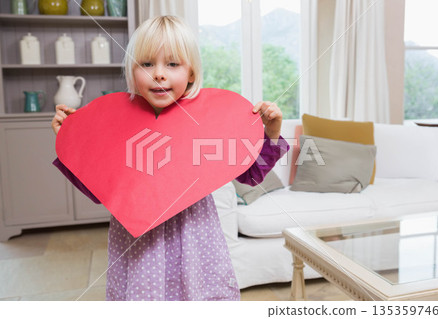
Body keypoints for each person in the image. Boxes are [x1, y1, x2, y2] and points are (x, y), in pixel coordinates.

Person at [51, 15, 289, 301]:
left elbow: (249, 175)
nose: (159, 74)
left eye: (172, 64)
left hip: (195, 238)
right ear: (132, 70)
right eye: (147, 64)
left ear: (191, 72)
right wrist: (71, 142)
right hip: (139, 243)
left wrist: (271, 135)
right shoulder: (116, 123)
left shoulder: (208, 122)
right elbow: (99, 190)